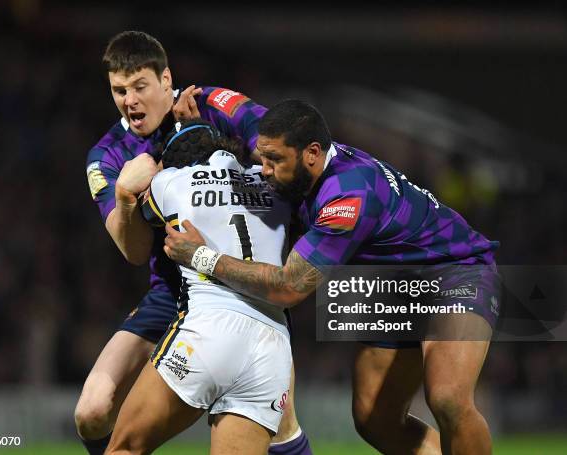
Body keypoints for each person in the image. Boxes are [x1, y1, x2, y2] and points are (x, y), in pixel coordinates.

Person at [164, 99, 501, 455]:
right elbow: (230, 103)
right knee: (374, 418)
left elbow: (289, 286)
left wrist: (202, 256)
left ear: (311, 153)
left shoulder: (347, 195)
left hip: (455, 271)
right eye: (262, 157)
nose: (263, 169)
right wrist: (184, 101)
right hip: (393, 287)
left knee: (447, 397)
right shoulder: (280, 140)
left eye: (274, 160)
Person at [79, 31, 311, 454]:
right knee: (92, 411)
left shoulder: (212, 104)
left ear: (166, 79)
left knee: (283, 426)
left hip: (242, 283)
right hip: (170, 289)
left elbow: (275, 145)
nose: (129, 101)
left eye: (140, 87)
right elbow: (132, 251)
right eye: (119, 90)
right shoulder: (108, 154)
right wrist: (124, 197)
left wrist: (211, 136)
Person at [106, 119, 293, 454]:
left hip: (210, 327)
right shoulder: (274, 185)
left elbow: (137, 234)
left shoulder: (169, 181)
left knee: (124, 448)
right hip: (272, 344)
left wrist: (127, 187)